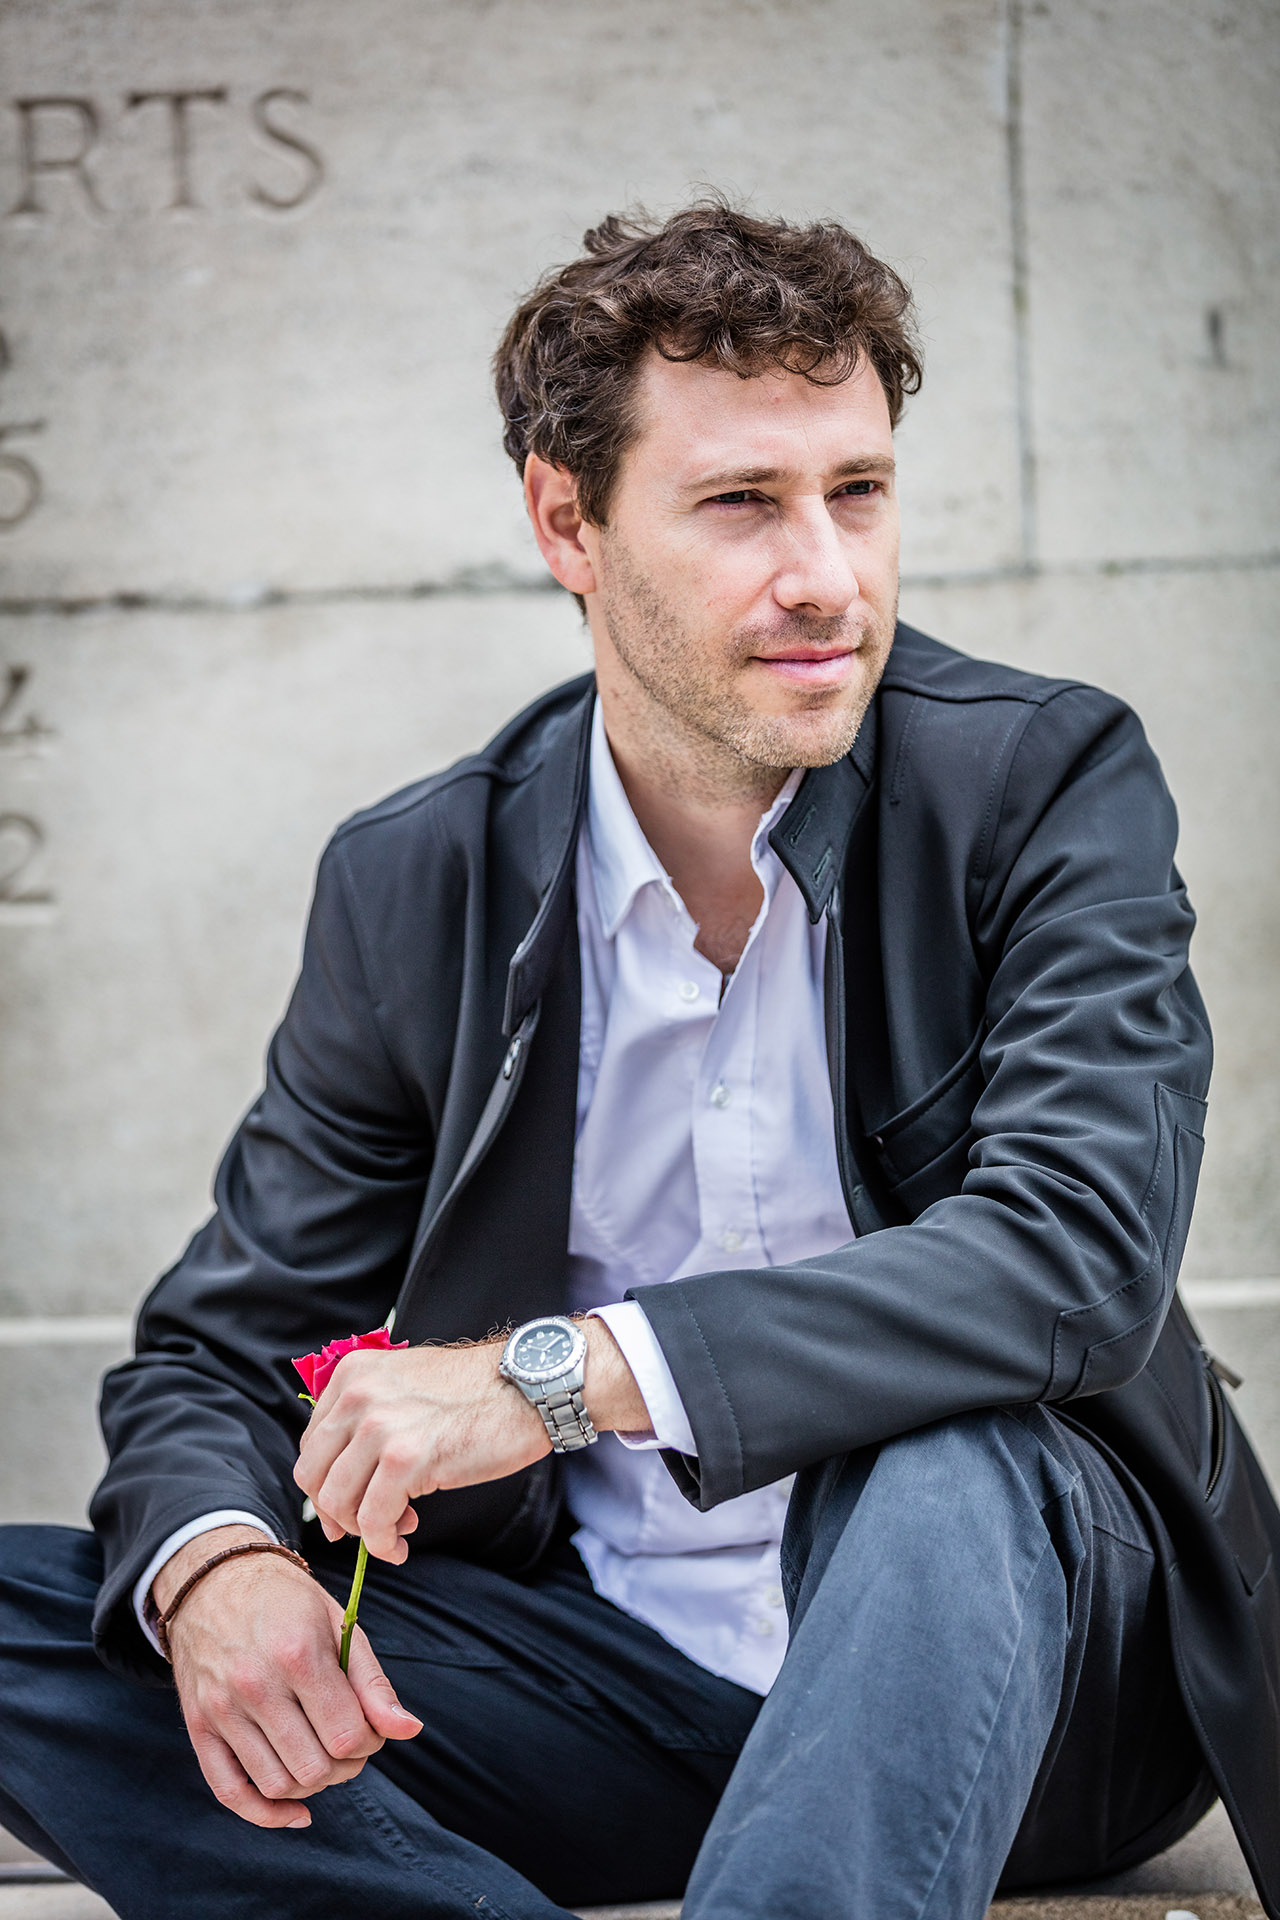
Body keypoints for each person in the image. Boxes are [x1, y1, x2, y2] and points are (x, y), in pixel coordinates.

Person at [0, 202, 1277, 1920]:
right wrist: (219, 1567)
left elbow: (1074, 1262)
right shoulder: (419, 880)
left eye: (860, 492)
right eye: (743, 502)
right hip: (609, 1686)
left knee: (945, 1446)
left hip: (1029, 1689)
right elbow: (224, 1355)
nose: (826, 570)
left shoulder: (1041, 785)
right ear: (565, 520)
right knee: (53, 1608)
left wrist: (546, 1377)